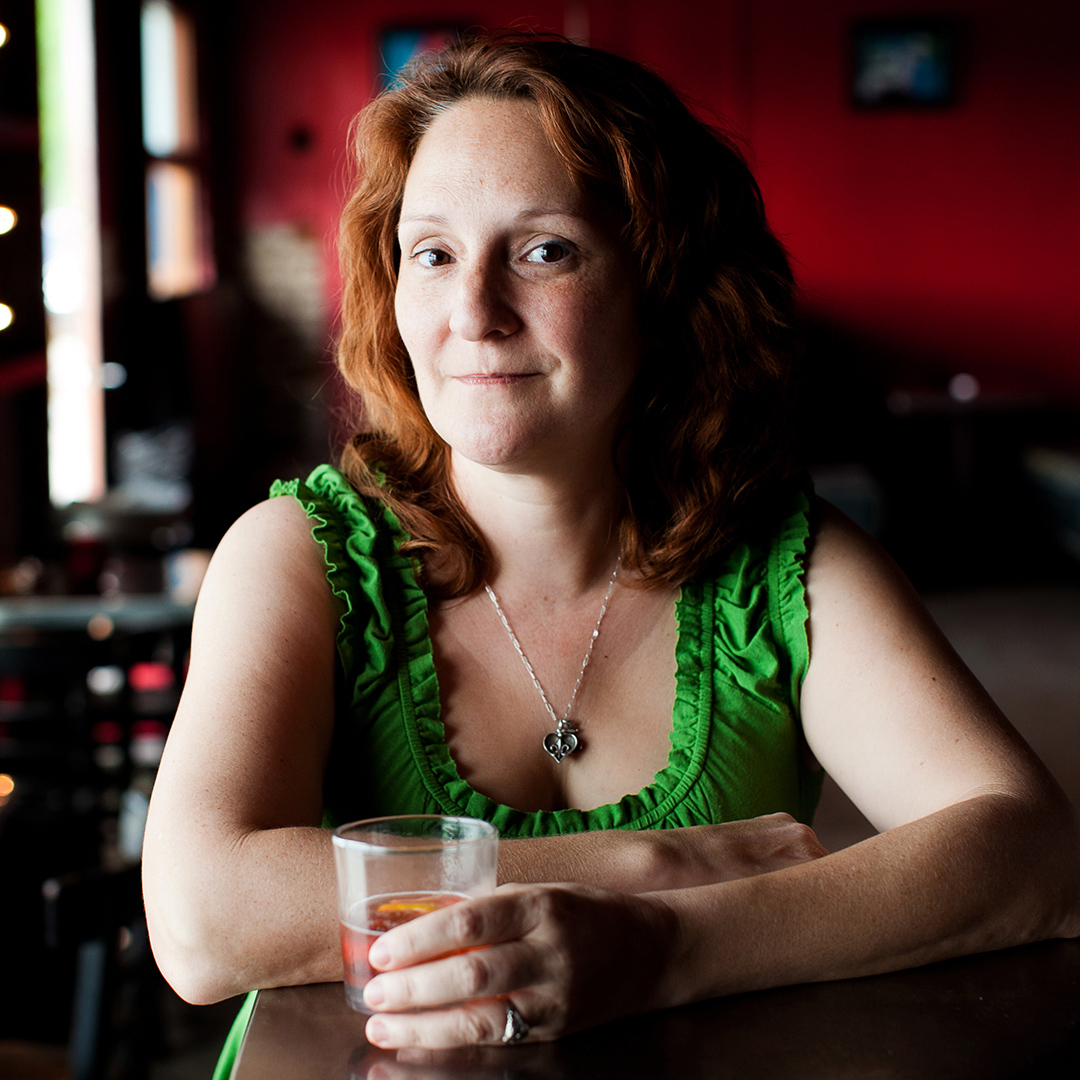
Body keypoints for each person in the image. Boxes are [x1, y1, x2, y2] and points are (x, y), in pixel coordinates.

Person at [142, 31, 1079, 1062]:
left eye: (545, 250)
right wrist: (649, 866)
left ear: (666, 285)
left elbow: (1036, 852)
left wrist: (664, 943)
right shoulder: (301, 553)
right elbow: (200, 920)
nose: (473, 313)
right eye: (434, 253)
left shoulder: (782, 564)